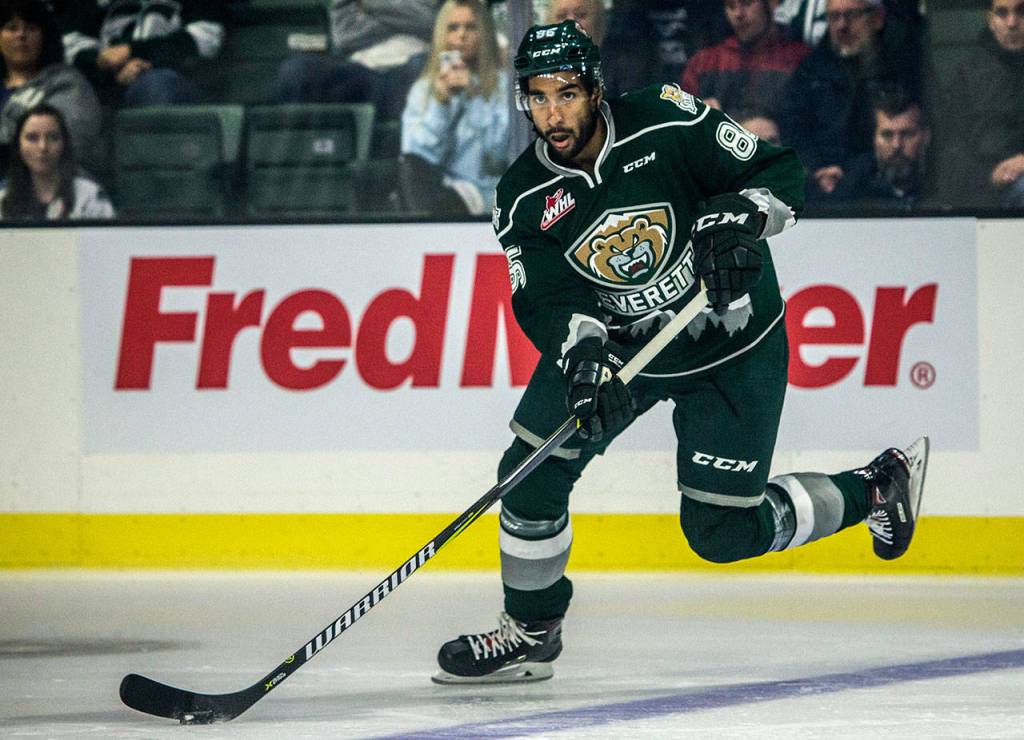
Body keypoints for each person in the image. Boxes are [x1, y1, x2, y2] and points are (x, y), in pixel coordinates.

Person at [430, 20, 929, 685]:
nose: (554, 113)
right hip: (623, 351)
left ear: (596, 90)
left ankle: (876, 487)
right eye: (540, 97)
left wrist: (743, 217)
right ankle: (531, 630)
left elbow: (775, 171)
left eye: (568, 94)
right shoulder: (522, 197)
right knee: (529, 473)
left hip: (730, 344)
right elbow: (544, 298)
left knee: (722, 534)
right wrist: (580, 355)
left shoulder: (665, 119)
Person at [777, 0, 927, 199]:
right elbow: (792, 128)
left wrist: (854, 175)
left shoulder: (902, 64)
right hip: (821, 186)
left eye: (852, 15)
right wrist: (816, 170)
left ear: (877, 18)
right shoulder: (810, 70)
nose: (841, 25)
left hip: (884, 186)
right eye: (833, 17)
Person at [399, 0, 507, 216]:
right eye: (453, 28)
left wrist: (476, 98)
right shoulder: (423, 90)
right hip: (444, 191)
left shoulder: (505, 86)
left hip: (495, 190)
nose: (461, 36)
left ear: (484, 33)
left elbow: (499, 152)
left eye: (471, 27)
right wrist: (441, 102)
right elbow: (416, 158)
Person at [275, 0, 437, 121]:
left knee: (424, 69)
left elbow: (431, 23)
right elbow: (344, 38)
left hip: (411, 70)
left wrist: (368, 5)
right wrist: (405, 16)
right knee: (296, 70)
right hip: (359, 70)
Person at [57, 0, 224, 108]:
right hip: (107, 78)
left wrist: (133, 52)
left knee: (156, 84)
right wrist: (106, 68)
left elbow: (205, 40)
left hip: (172, 77)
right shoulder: (94, 5)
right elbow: (70, 45)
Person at [938, 0, 1024, 208]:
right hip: (983, 186)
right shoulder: (969, 72)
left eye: (1022, 11)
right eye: (1002, 13)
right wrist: (991, 176)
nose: (1012, 22)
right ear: (990, 20)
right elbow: (952, 145)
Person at [0, 0, 103, 174]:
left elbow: (69, 143)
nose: (21, 35)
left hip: (48, 185)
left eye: (31, 28)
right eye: (12, 28)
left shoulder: (68, 84)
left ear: (45, 37)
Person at [680, 0, 809, 119]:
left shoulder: (800, 59)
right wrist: (697, 116)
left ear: (771, 4)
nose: (738, 14)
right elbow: (679, 125)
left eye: (747, 3)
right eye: (731, 6)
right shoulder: (703, 62)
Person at [0, 103, 113, 219]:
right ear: (18, 145)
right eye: (32, 138)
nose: (43, 147)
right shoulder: (2, 201)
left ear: (64, 144)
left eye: (53, 137)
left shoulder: (89, 197)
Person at [828, 87, 936, 209]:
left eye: (907, 134)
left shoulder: (948, 183)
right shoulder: (853, 187)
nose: (897, 145)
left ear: (926, 136)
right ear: (874, 138)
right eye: (887, 135)